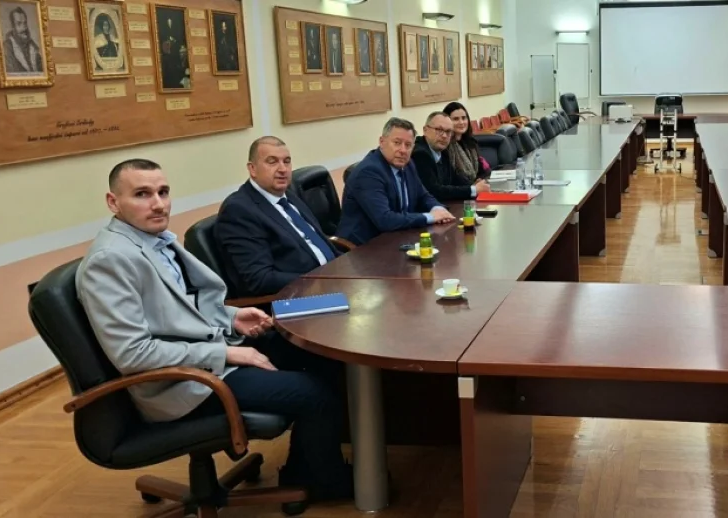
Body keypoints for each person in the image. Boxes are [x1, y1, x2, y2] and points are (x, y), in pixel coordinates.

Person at [75, 159, 352, 503]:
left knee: (320, 354)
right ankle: (324, 482)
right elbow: (133, 354)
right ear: (113, 202)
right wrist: (227, 353)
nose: (158, 204)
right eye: (142, 194)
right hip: (180, 382)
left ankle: (305, 469)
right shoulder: (109, 260)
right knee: (313, 393)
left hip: (208, 353)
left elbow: (182, 308)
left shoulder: (152, 239)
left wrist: (231, 317)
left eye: (163, 192)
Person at [214, 137, 338, 297]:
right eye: (272, 162)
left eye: (287, 161)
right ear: (252, 169)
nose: (283, 169)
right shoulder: (238, 211)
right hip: (298, 296)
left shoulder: (287, 195)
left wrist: (347, 267)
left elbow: (319, 243)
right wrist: (319, 281)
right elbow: (260, 279)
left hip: (332, 278)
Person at [337, 117, 456, 245]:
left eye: (408, 145)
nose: (403, 150)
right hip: (364, 247)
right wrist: (430, 217)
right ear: (382, 142)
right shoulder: (369, 172)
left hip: (397, 238)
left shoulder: (408, 164)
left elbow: (423, 195)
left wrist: (438, 209)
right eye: (397, 143)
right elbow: (385, 219)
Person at [411, 112, 491, 201]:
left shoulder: (443, 150)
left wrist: (473, 185)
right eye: (439, 130)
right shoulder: (420, 154)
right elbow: (434, 191)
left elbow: (455, 178)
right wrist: (473, 190)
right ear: (425, 130)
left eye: (448, 131)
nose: (444, 136)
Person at [442, 101, 492, 181]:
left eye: (464, 118)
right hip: (462, 187)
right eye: (455, 119)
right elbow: (451, 177)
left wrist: (480, 180)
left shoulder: (471, 142)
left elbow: (481, 169)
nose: (461, 122)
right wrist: (472, 185)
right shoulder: (445, 146)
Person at [3, 7, 43, 74]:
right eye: (19, 23)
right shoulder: (7, 47)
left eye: (25, 23)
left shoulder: (33, 46)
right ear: (13, 26)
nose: (24, 27)